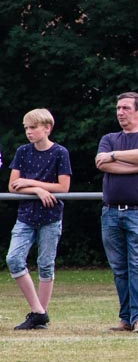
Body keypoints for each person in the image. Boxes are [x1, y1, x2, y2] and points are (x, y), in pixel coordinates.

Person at [96, 91, 138, 334]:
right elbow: (101, 163)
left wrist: (115, 157)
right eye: (118, 108)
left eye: (125, 108)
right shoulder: (109, 138)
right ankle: (126, 318)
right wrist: (137, 166)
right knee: (119, 267)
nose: (120, 112)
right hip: (110, 213)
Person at [8, 109, 70, 331]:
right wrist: (37, 189)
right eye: (26, 128)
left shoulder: (60, 152)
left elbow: (63, 187)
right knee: (14, 259)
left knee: (46, 265)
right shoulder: (23, 152)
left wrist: (32, 184)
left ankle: (39, 316)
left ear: (47, 128)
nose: (29, 132)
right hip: (26, 216)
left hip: (50, 217)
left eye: (33, 127)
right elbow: (13, 185)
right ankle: (39, 312)